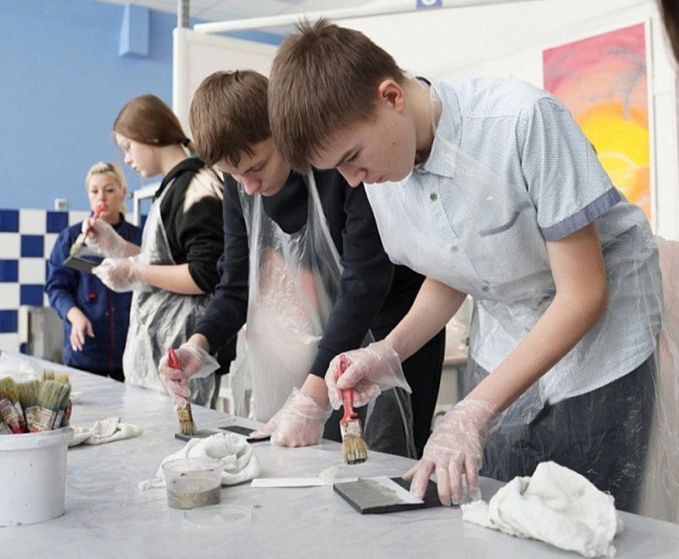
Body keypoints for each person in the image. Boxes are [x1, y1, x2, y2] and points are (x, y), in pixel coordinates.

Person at [267, 19, 662, 513]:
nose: (352, 179)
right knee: (496, 507)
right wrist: (389, 352)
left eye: (352, 157)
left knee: (589, 514)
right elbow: (455, 269)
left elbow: (583, 295)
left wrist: (472, 410)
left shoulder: (521, 122)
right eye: (338, 169)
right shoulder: (383, 166)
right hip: (505, 339)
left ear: (390, 97)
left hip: (603, 340)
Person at [158, 70, 445, 457]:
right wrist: (200, 344)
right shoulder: (239, 182)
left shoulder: (339, 164)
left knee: (385, 461)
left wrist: (312, 396)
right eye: (233, 175)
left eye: (257, 167)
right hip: (327, 339)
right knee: (315, 458)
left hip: (397, 330)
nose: (249, 187)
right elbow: (236, 282)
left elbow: (366, 279)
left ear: (283, 134)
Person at [85, 94, 234, 404]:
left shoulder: (196, 186)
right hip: (160, 352)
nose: (126, 159)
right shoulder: (171, 188)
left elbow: (204, 274)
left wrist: (136, 271)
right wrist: (117, 246)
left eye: (128, 148)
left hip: (183, 358)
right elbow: (168, 260)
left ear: (151, 135)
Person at [46, 162, 142, 381]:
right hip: (85, 353)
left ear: (123, 193)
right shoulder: (71, 238)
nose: (102, 198)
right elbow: (56, 287)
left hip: (130, 352)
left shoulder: (139, 239)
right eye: (95, 191)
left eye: (109, 190)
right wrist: (74, 314)